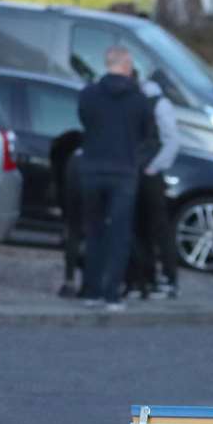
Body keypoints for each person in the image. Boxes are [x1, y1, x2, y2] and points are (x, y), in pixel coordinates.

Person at [76, 45, 155, 311]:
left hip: (92, 169)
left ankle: (91, 290)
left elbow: (85, 121)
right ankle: (112, 294)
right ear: (127, 65)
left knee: (93, 231)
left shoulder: (89, 95)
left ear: (107, 63)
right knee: (119, 235)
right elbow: (147, 134)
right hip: (123, 172)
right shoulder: (139, 99)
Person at [137, 77, 182, 298]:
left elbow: (172, 140)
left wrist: (153, 167)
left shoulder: (158, 103)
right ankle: (151, 278)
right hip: (145, 170)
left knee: (155, 227)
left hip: (149, 172)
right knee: (147, 228)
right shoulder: (153, 101)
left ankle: (165, 278)